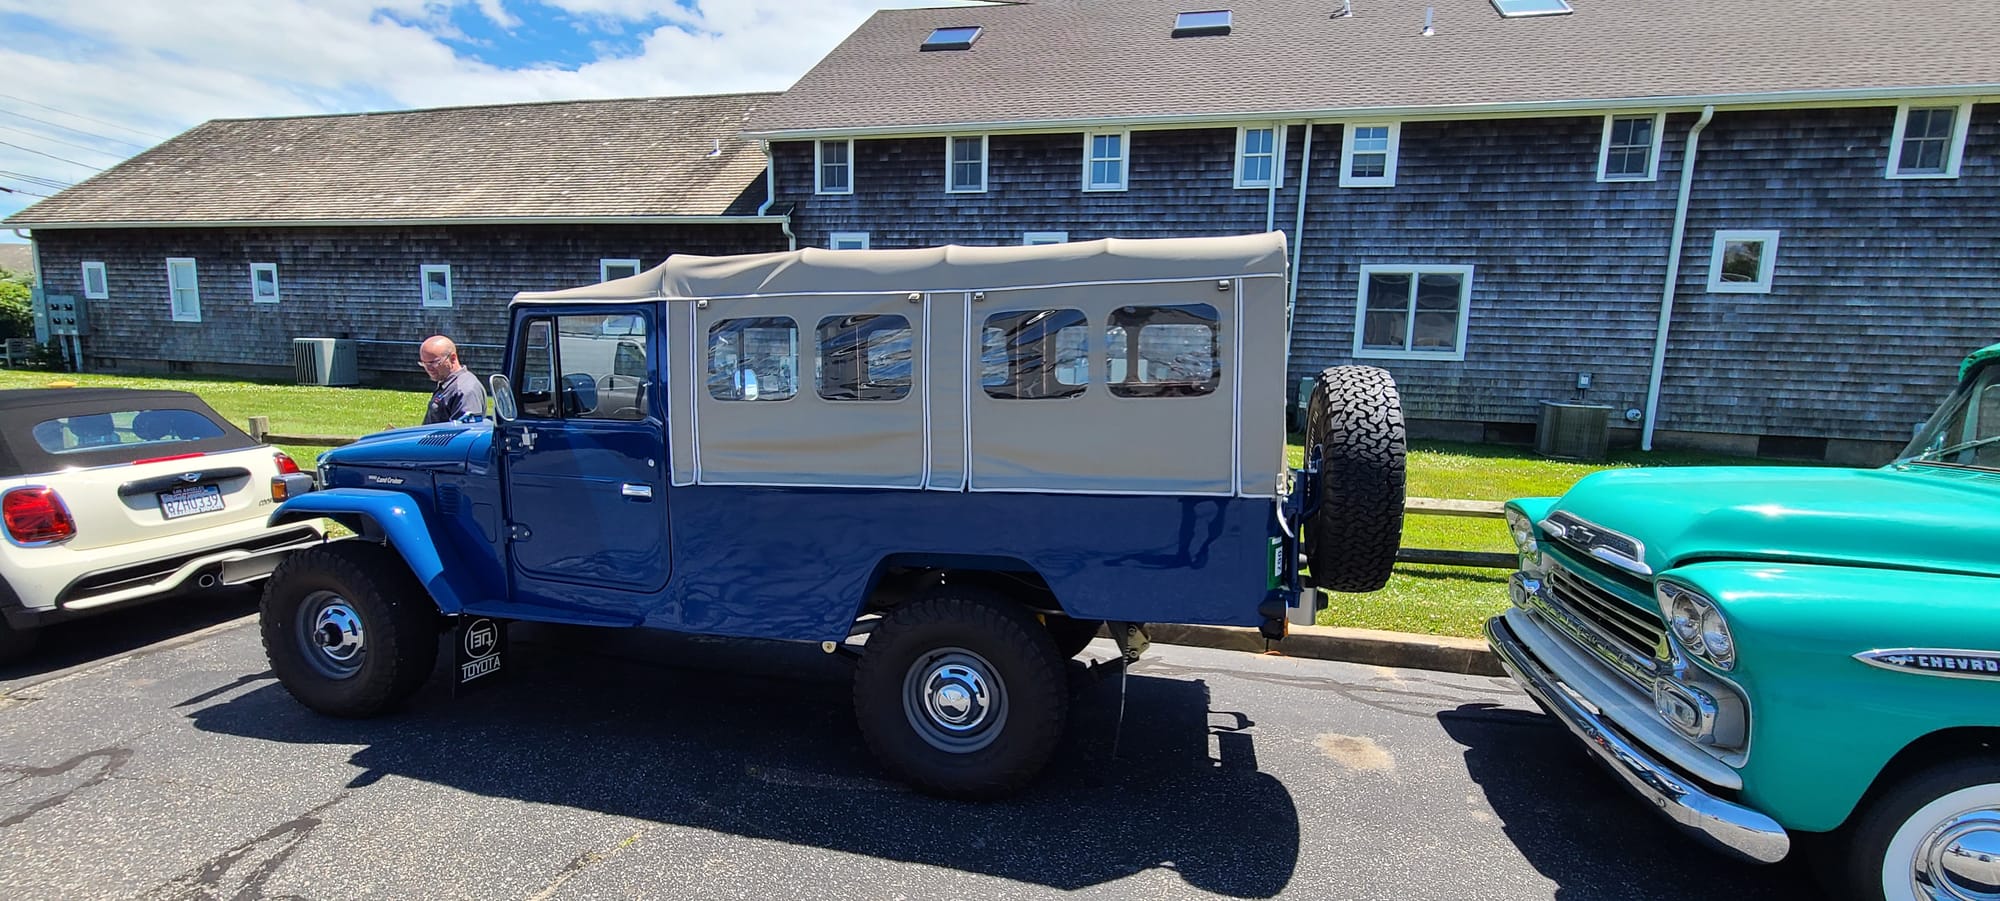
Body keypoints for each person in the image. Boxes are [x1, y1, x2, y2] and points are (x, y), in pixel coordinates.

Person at [420, 335, 486, 424]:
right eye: (424, 363)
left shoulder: (464, 390)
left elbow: (465, 433)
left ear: (453, 358)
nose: (428, 368)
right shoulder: (447, 384)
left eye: (434, 362)